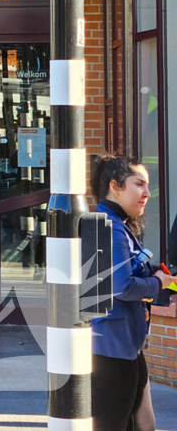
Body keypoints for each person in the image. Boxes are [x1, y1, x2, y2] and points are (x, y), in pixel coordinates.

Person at [91, 153, 172, 431]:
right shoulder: (108, 227)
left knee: (141, 422)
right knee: (115, 424)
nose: (147, 193)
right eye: (139, 185)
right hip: (112, 348)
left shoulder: (112, 224)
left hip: (122, 345)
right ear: (115, 186)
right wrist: (158, 283)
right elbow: (122, 286)